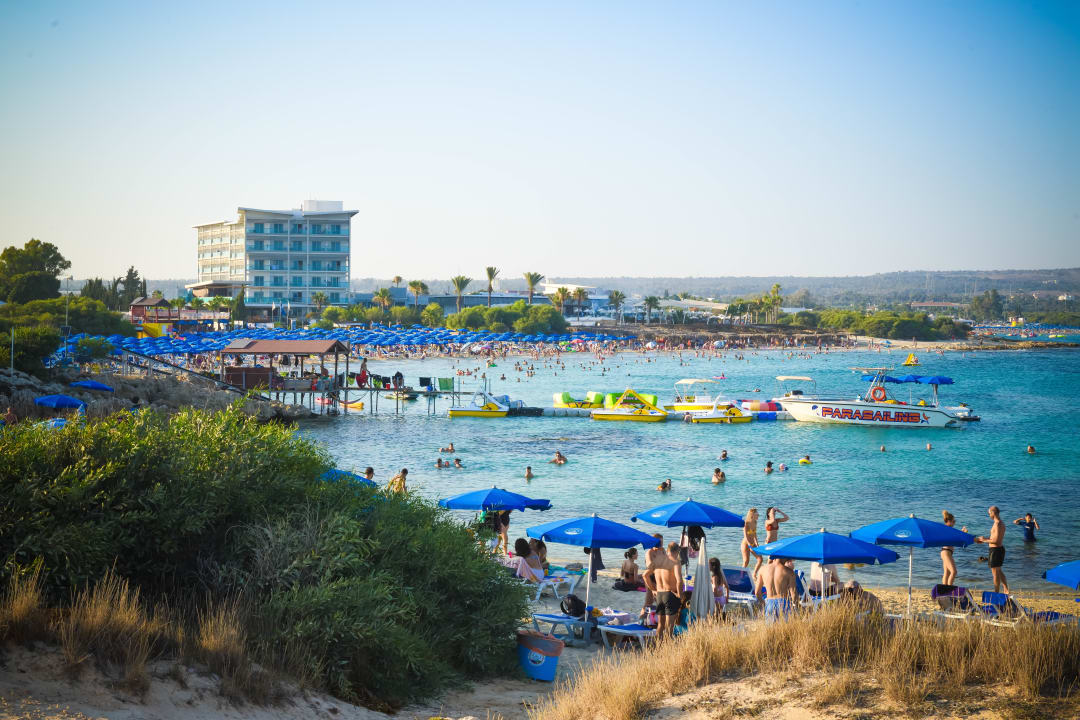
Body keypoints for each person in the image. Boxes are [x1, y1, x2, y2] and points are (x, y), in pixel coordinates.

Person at [643, 542, 684, 637]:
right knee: (670, 627)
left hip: (659, 595)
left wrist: (653, 589)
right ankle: (668, 649)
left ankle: (658, 647)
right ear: (678, 551)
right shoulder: (675, 561)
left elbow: (645, 575)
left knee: (660, 625)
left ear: (668, 550)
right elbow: (679, 580)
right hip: (670, 595)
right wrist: (680, 595)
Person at [975, 505, 1010, 594]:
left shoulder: (998, 524)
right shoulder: (999, 523)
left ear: (993, 512)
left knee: (995, 573)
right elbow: (993, 538)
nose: (989, 515)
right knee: (999, 570)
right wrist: (984, 540)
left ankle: (996, 593)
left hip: (996, 550)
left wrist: (984, 540)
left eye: (989, 513)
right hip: (998, 549)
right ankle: (1006, 589)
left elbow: (996, 540)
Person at [757, 556, 796, 623]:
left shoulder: (762, 569)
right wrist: (796, 607)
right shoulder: (789, 572)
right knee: (785, 630)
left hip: (769, 603)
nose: (787, 560)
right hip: (784, 603)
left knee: (771, 631)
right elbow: (794, 594)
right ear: (782, 557)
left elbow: (757, 592)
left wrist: (763, 603)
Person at [940, 510, 966, 585]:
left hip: (946, 552)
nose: (954, 522)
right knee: (954, 572)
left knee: (947, 573)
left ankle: (944, 590)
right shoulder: (947, 529)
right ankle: (949, 589)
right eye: (953, 521)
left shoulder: (947, 529)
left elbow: (954, 537)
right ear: (948, 521)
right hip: (946, 552)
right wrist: (963, 533)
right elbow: (956, 538)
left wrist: (962, 532)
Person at [741, 508, 762, 578]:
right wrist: (750, 544)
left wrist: (757, 544)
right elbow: (746, 535)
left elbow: (755, 534)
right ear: (752, 515)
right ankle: (741, 576)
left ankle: (754, 574)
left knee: (760, 559)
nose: (758, 515)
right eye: (757, 514)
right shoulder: (746, 523)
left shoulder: (755, 522)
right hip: (746, 543)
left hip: (753, 543)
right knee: (746, 561)